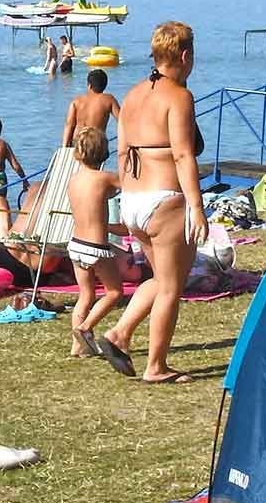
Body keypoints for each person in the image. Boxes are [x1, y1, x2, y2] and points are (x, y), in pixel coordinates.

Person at [97, 21, 208, 385]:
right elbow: (182, 155)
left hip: (133, 200)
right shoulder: (178, 97)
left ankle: (119, 334)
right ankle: (156, 366)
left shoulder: (131, 96)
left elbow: (123, 152)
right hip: (165, 200)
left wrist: (127, 197)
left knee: (161, 279)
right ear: (185, 55)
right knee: (172, 288)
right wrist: (197, 206)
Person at [65, 127, 124, 359]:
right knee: (114, 292)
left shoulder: (74, 180)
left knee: (85, 295)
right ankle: (85, 327)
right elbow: (129, 187)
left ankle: (77, 348)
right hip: (96, 247)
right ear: (104, 153)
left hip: (75, 244)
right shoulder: (106, 178)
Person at [61, 69, 121, 147]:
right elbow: (122, 121)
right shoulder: (109, 99)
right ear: (105, 85)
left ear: (89, 85)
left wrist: (64, 147)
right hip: (96, 145)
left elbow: (69, 125)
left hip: (78, 143)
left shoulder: (76, 101)